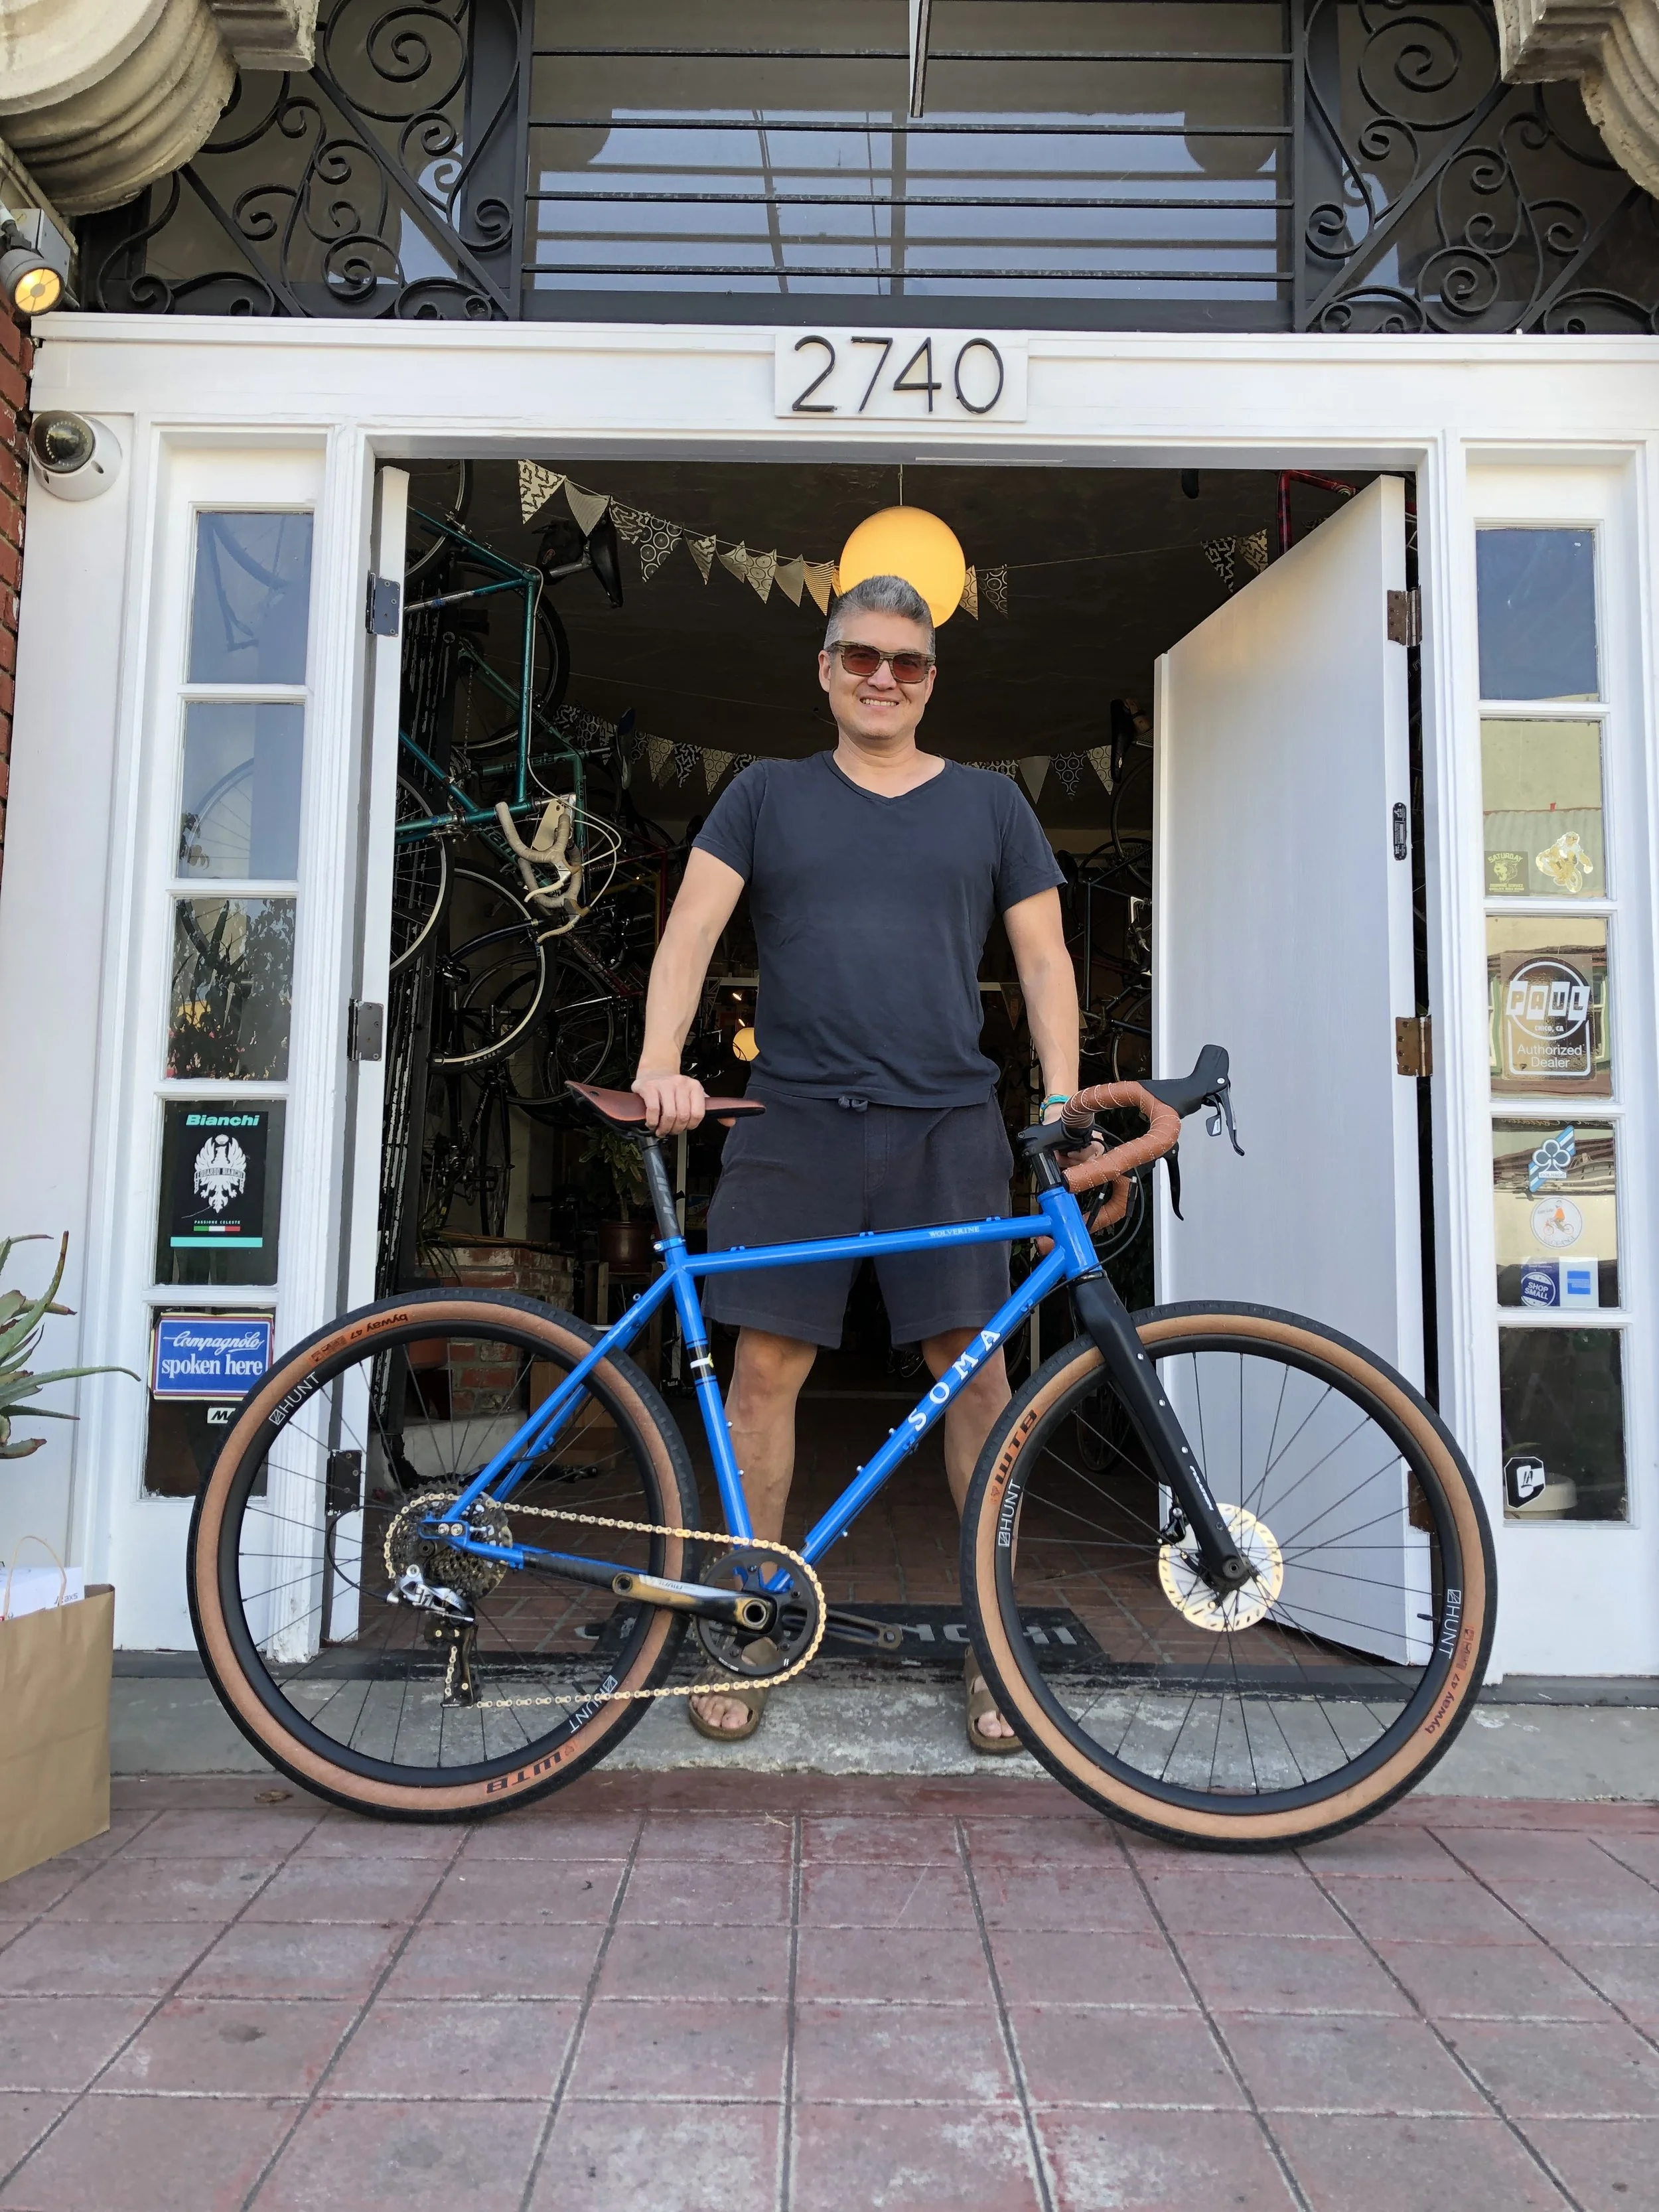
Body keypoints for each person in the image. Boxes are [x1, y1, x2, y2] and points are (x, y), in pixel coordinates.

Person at [631, 572, 1079, 1748]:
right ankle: (746, 1620)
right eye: (859, 656)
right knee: (765, 1372)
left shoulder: (990, 807)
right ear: (824, 669)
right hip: (796, 1123)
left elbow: (1043, 961)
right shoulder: (766, 797)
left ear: (934, 678)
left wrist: (1066, 1095)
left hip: (950, 1126)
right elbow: (692, 929)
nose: (883, 677)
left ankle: (996, 1647)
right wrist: (662, 1061)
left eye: (908, 661)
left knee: (975, 1381)